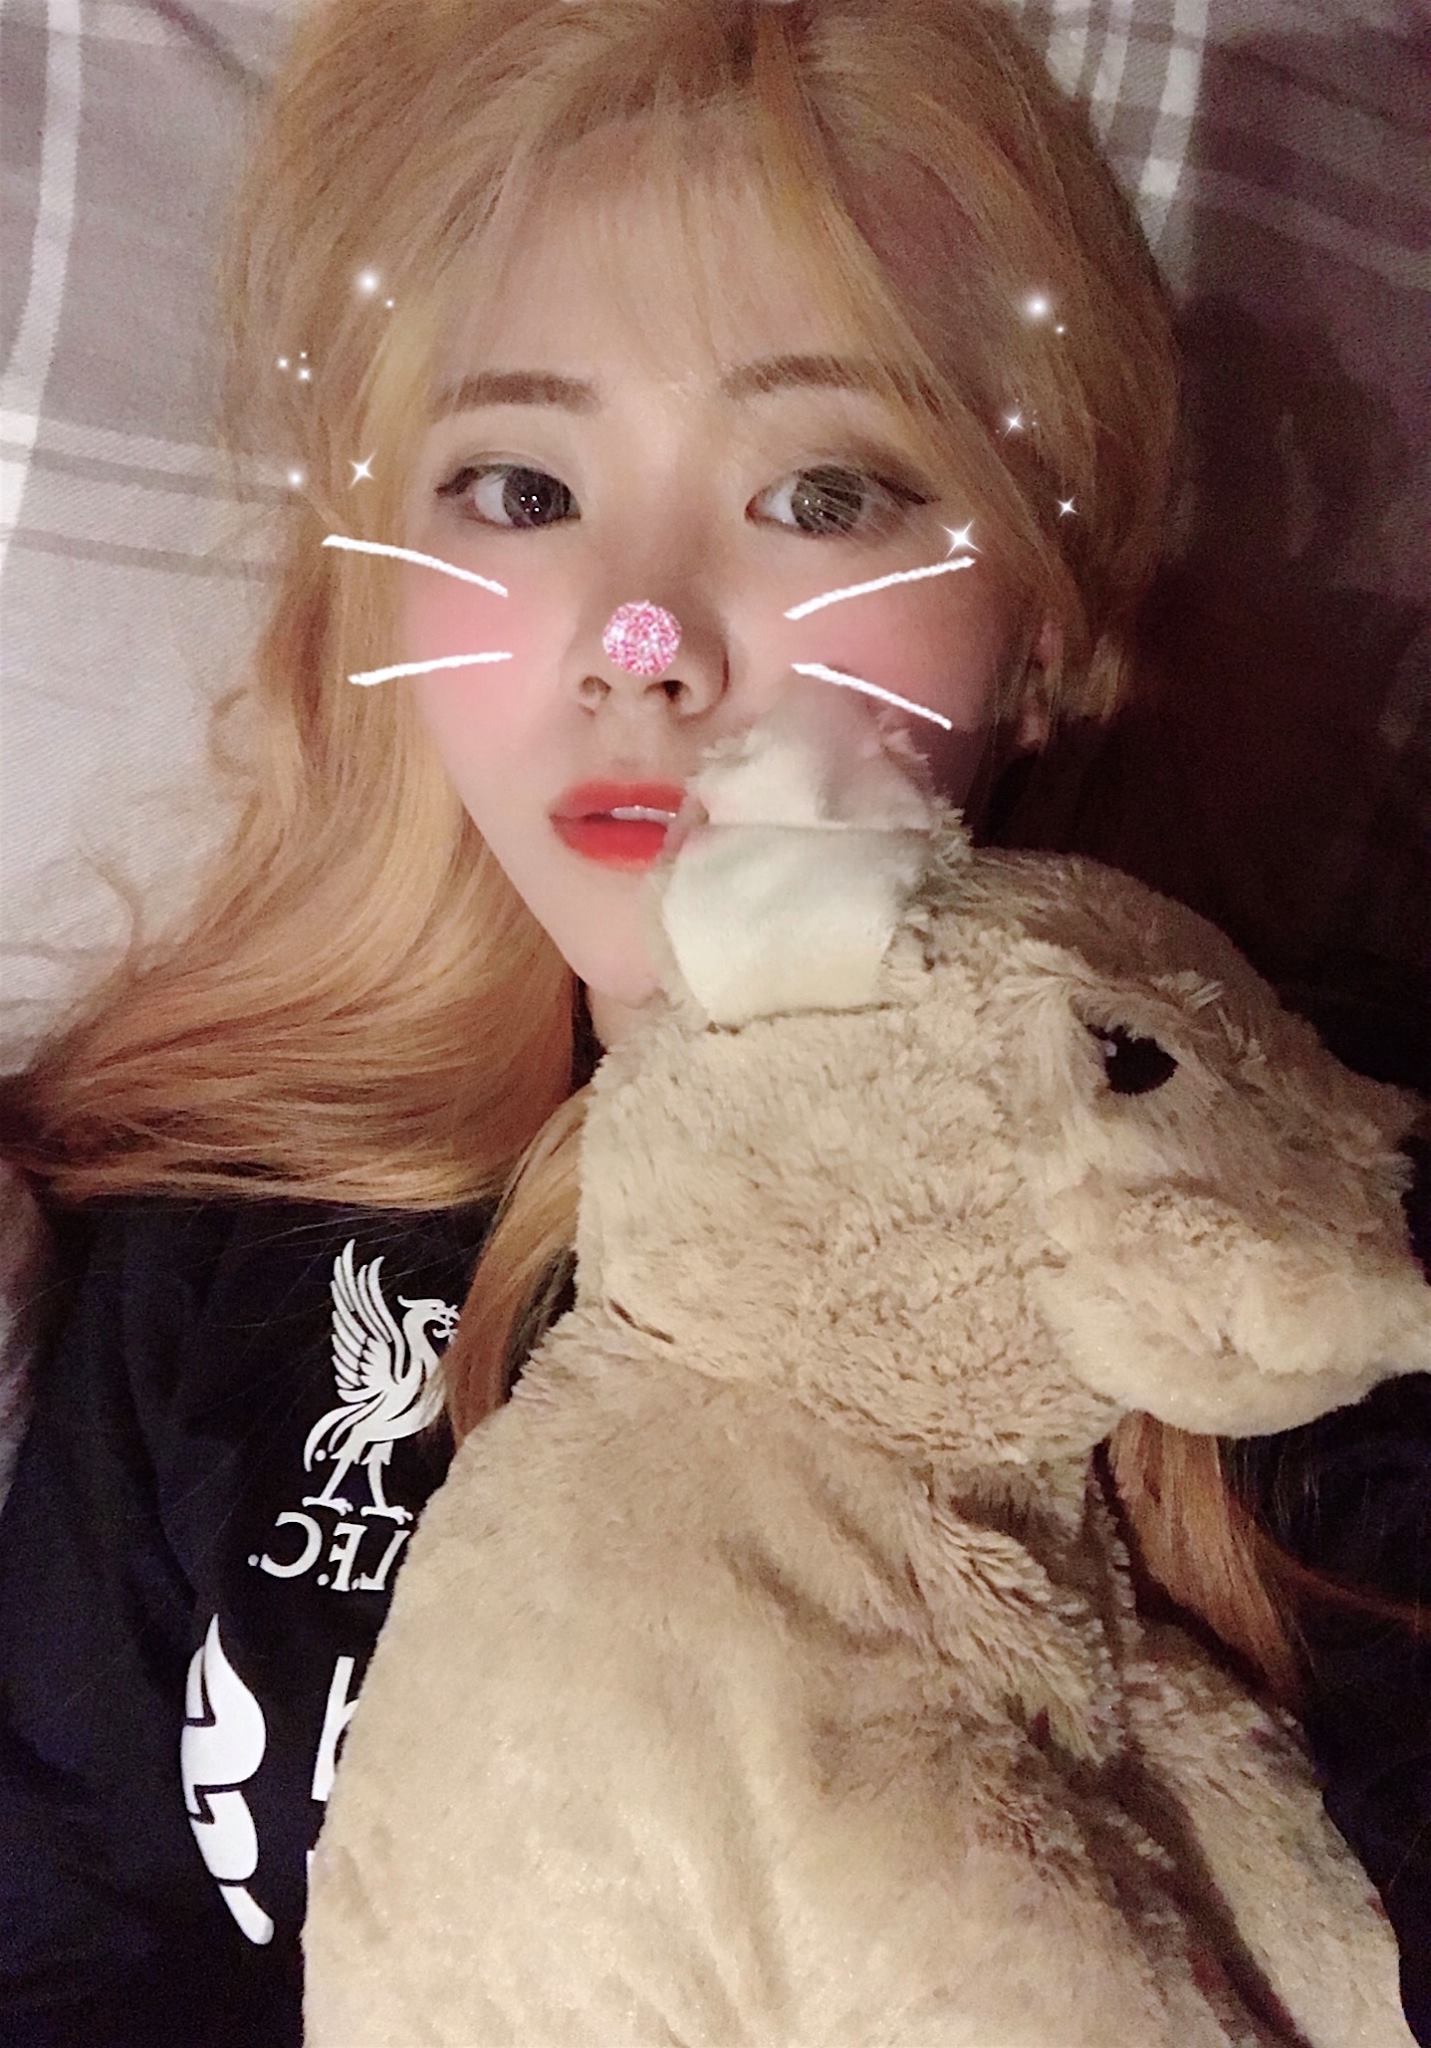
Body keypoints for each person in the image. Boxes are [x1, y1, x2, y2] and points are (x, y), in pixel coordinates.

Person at [0, 1, 1423, 2043]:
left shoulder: (1299, 1176)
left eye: (823, 492)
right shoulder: (212, 1245)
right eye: (517, 486)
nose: (638, 638)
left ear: (1044, 624)